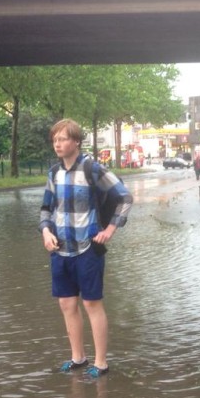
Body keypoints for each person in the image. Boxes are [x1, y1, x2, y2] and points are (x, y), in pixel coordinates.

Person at [39, 119, 133, 378]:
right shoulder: (53, 173)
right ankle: (77, 358)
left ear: (76, 142)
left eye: (63, 139)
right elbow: (46, 208)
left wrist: (109, 230)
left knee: (92, 304)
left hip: (87, 249)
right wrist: (46, 232)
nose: (58, 144)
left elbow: (125, 197)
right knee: (67, 304)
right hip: (60, 250)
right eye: (55, 140)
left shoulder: (93, 169)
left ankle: (101, 363)